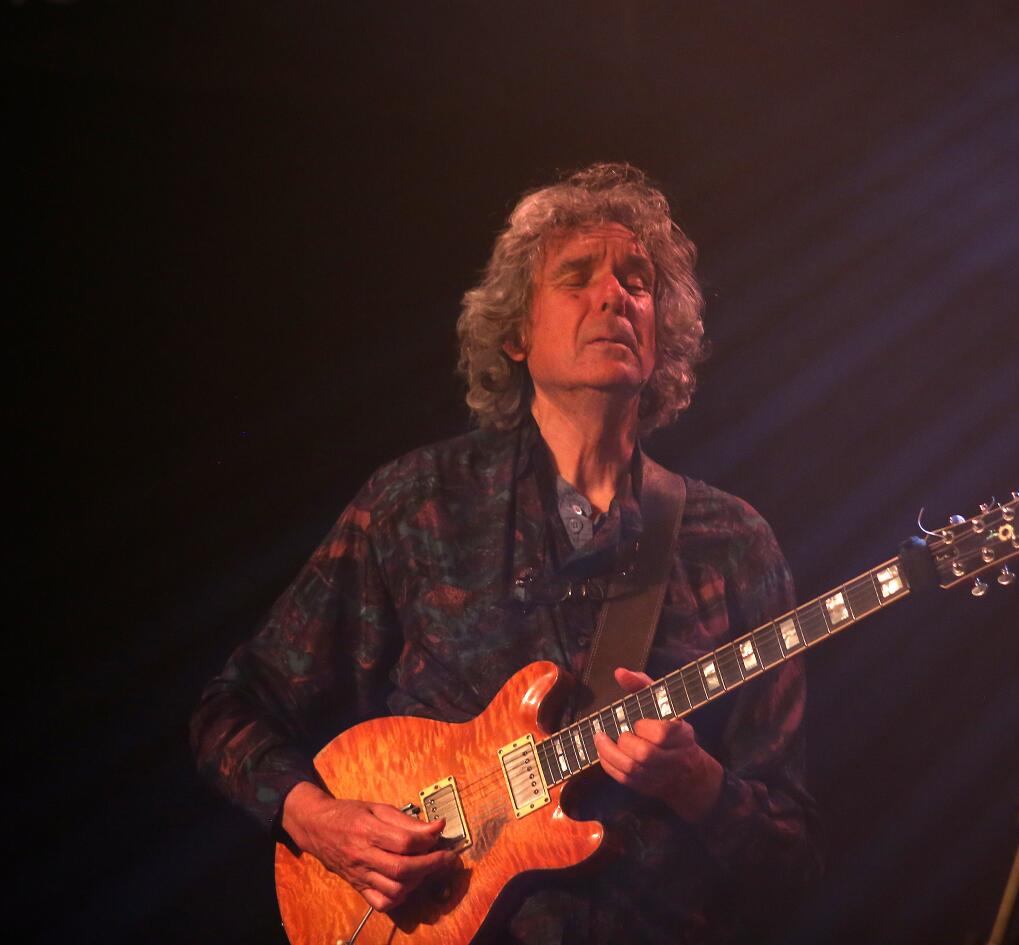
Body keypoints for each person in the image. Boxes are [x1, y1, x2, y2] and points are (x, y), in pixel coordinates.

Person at [191, 162, 816, 944]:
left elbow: (792, 861)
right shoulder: (416, 503)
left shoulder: (734, 544)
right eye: (576, 276)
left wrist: (697, 782)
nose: (614, 295)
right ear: (516, 332)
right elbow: (230, 710)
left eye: (638, 280)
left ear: (663, 335)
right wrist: (323, 821)